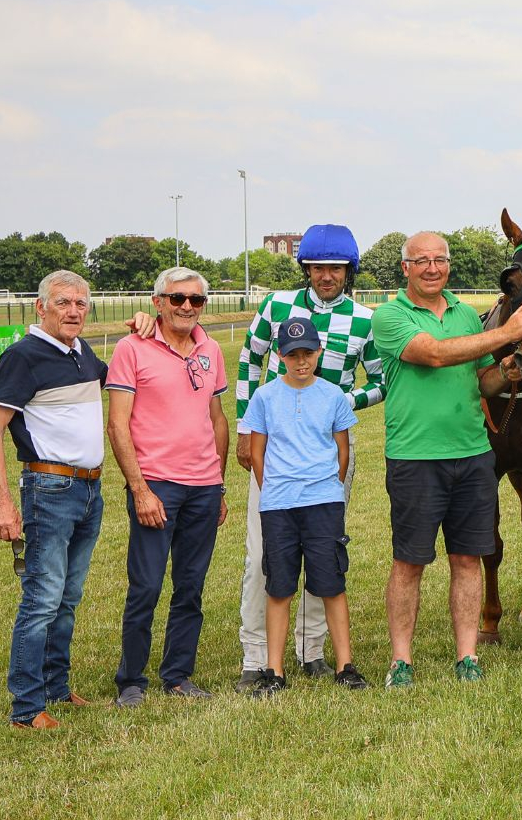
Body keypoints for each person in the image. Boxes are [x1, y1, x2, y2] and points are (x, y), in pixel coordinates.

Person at [371, 232, 522, 687]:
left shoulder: (467, 315)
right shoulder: (390, 316)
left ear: (448, 265)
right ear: (405, 268)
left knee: (468, 559)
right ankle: (400, 661)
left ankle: (467, 655)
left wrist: (505, 371)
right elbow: (432, 355)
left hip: (472, 454)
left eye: (440, 260)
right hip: (415, 457)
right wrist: (507, 332)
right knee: (409, 563)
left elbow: (480, 381)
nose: (432, 268)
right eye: (422, 260)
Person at [231, 222, 385, 694]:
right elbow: (249, 361)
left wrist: (335, 404)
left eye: (336, 268)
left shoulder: (365, 320)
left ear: (348, 271)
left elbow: (382, 381)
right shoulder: (277, 305)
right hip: (275, 442)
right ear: (306, 269)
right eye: (318, 267)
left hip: (329, 446)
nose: (326, 276)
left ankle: (312, 649)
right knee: (263, 553)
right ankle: (257, 656)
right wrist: (244, 427)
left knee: (325, 551)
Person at [0, 270, 108, 729]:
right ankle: (27, 707)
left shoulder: (81, 352)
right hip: (50, 491)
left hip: (90, 490)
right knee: (42, 599)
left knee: (67, 597)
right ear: (41, 307)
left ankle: (56, 687)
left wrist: (143, 325)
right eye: (62, 303)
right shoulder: (23, 356)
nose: (73, 311)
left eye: (80, 303)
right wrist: (1, 504)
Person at [108, 267, 232, 707]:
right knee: (146, 586)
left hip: (204, 488)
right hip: (157, 485)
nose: (186, 307)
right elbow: (117, 424)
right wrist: (140, 489)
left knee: (191, 587)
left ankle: (178, 675)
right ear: (158, 302)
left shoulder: (210, 349)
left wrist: (219, 485)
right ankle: (131, 681)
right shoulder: (131, 347)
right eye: (177, 298)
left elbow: (217, 419)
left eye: (196, 300)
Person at [239, 317, 365, 695]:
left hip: (323, 502)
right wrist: (275, 490)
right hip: (279, 505)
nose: (301, 361)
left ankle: (345, 666)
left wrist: (327, 487)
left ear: (319, 352)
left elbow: (342, 450)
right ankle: (274, 671)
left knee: (331, 583)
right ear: (280, 356)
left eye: (308, 353)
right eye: (293, 355)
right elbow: (257, 452)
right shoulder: (265, 397)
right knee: (279, 586)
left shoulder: (332, 396)